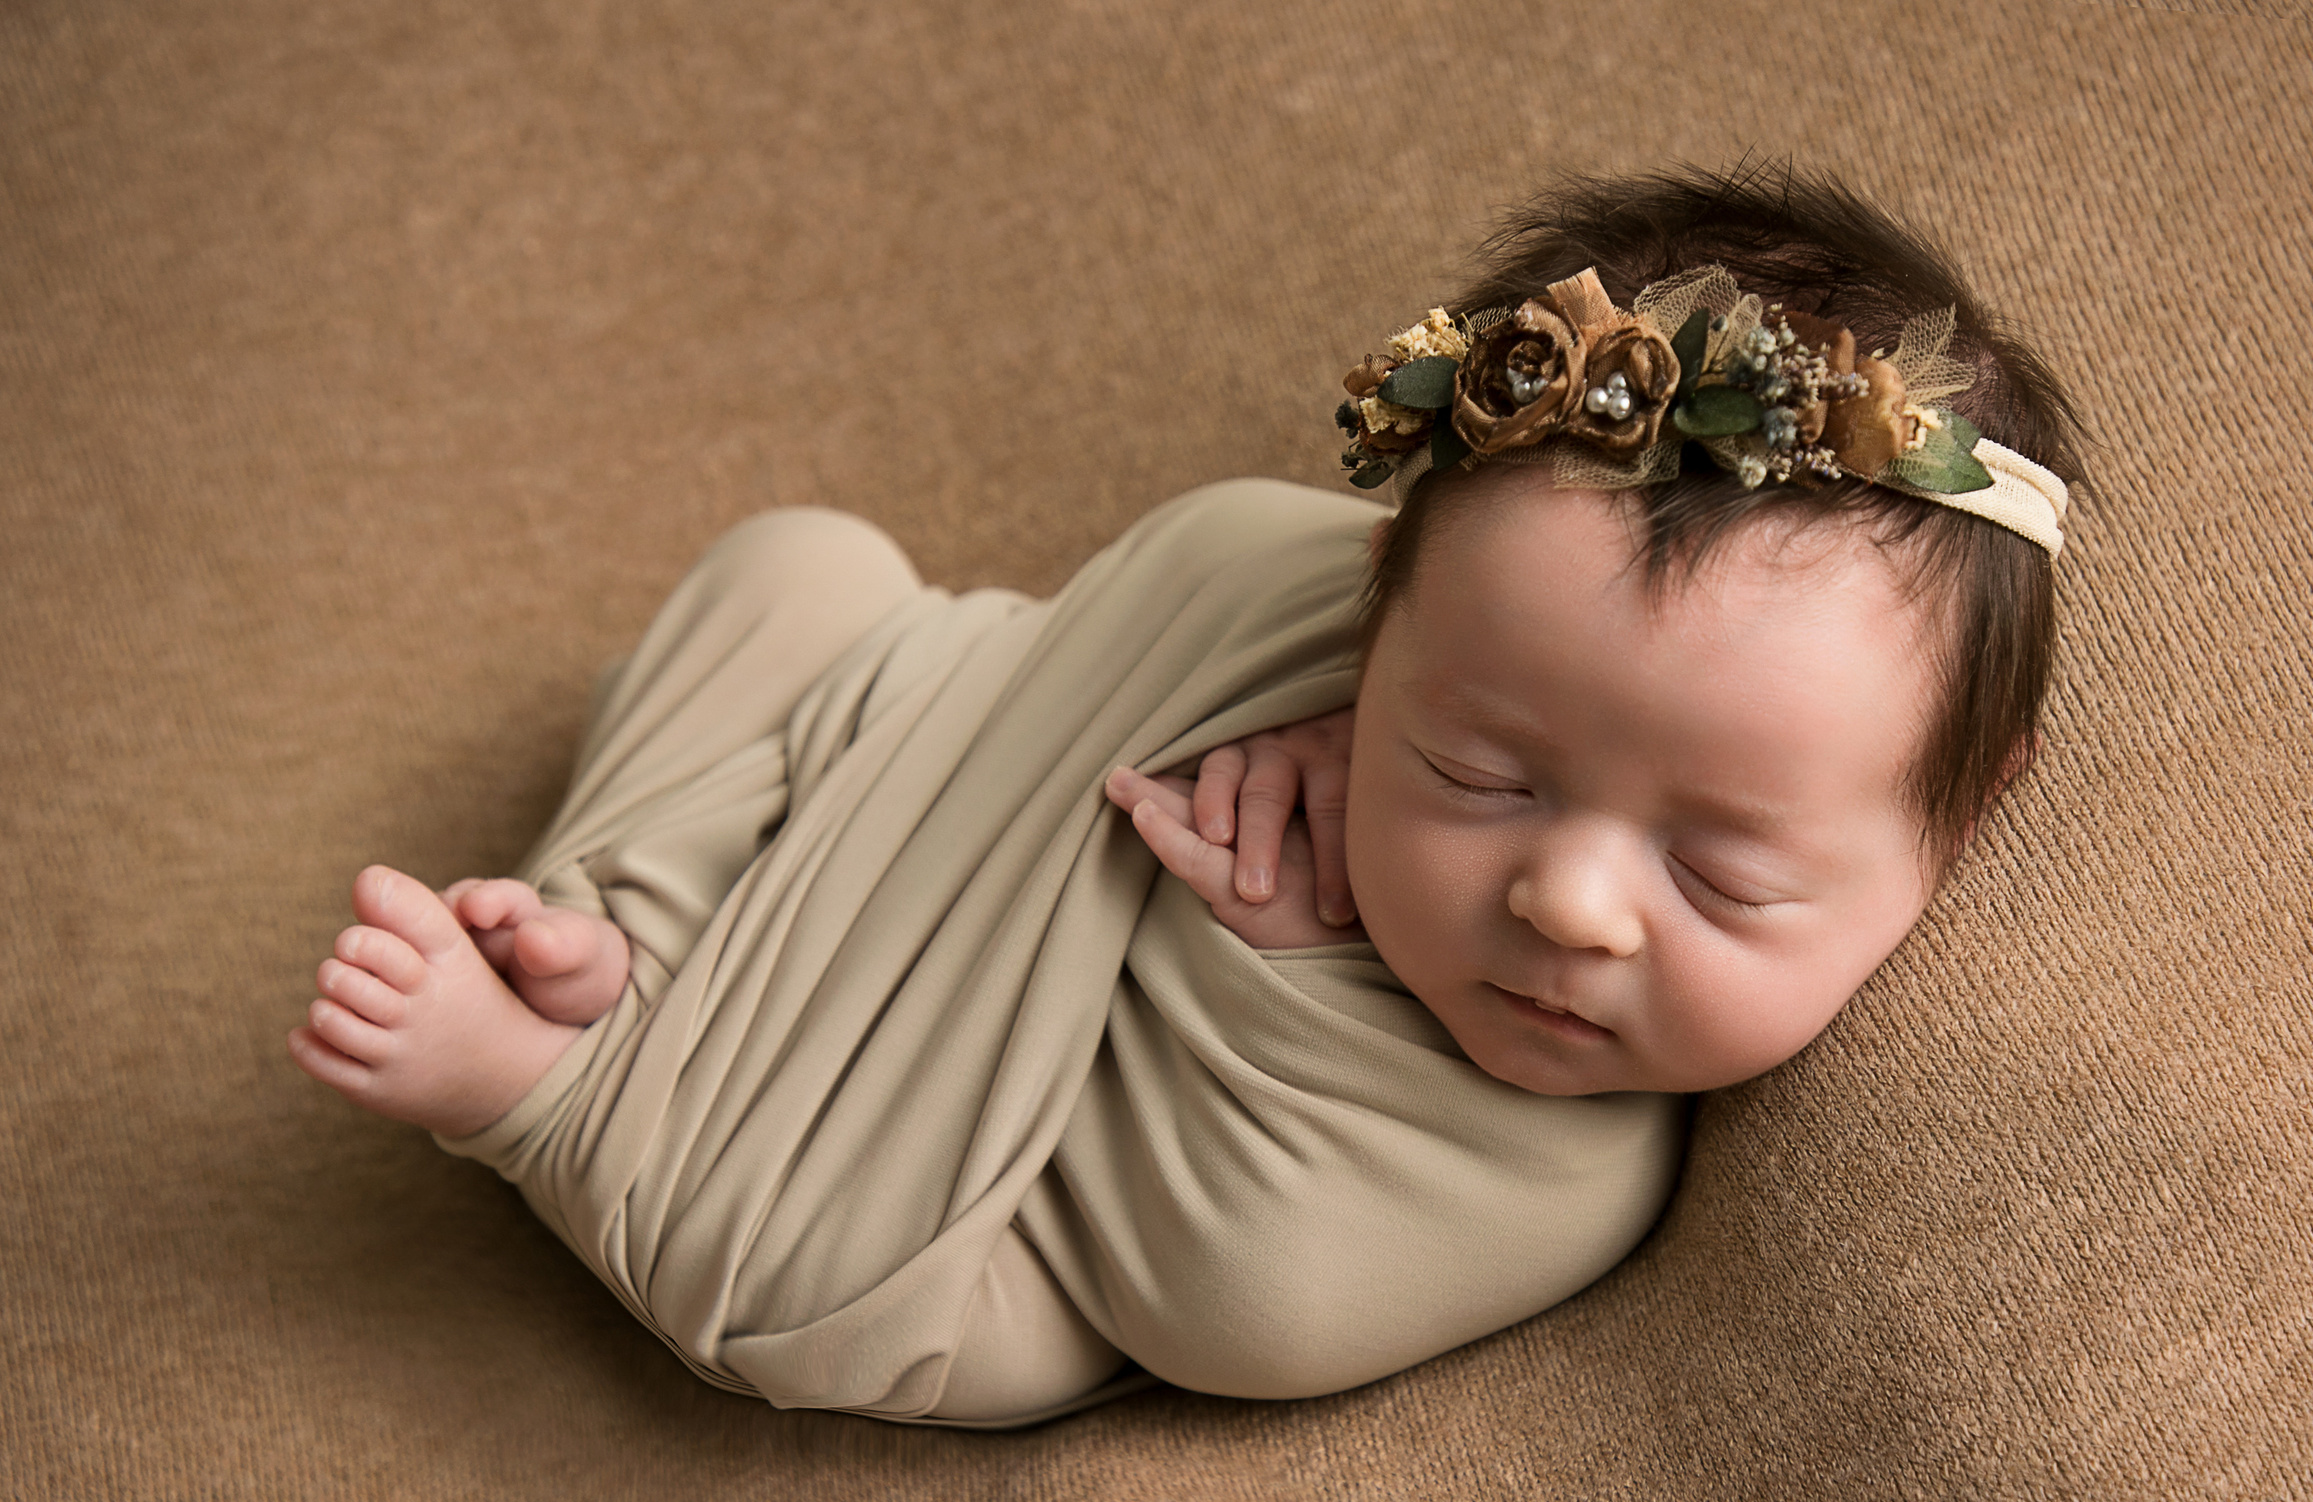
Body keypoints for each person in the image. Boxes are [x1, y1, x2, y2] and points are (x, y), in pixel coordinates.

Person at [286, 163, 2085, 1426]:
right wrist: (1291, 710)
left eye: (1720, 872)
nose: (1570, 904)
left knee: (939, 1332)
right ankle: (640, 941)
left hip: (990, 1198)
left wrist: (1275, 952)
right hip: (903, 832)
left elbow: (1229, 1307)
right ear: (1385, 612)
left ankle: (544, 1093)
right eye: (1479, 769)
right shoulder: (1307, 594)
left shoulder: (1561, 1173)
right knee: (800, 571)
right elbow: (1010, 682)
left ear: (1963, 811)